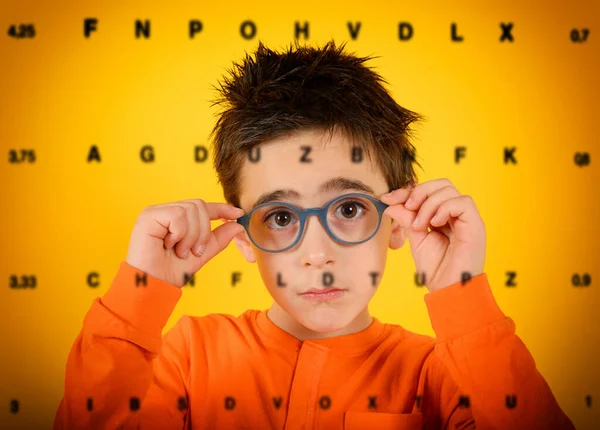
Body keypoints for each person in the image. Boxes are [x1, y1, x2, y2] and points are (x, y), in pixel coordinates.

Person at [53, 39, 575, 429]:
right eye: (280, 217)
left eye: (348, 207)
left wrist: (463, 295)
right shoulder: (188, 357)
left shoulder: (439, 376)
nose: (317, 255)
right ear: (240, 233)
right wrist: (139, 294)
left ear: (400, 216)